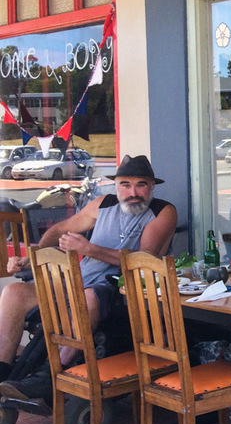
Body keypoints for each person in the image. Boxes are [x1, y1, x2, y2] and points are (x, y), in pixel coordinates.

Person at [0, 154, 177, 399]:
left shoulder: (163, 211)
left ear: (152, 187)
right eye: (125, 184)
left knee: (87, 297)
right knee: (14, 292)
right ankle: (3, 371)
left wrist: (89, 249)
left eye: (141, 185)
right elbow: (59, 230)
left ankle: (50, 374)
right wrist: (33, 259)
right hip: (79, 279)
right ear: (116, 186)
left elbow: (143, 259)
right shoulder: (104, 203)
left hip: (121, 289)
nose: (132, 192)